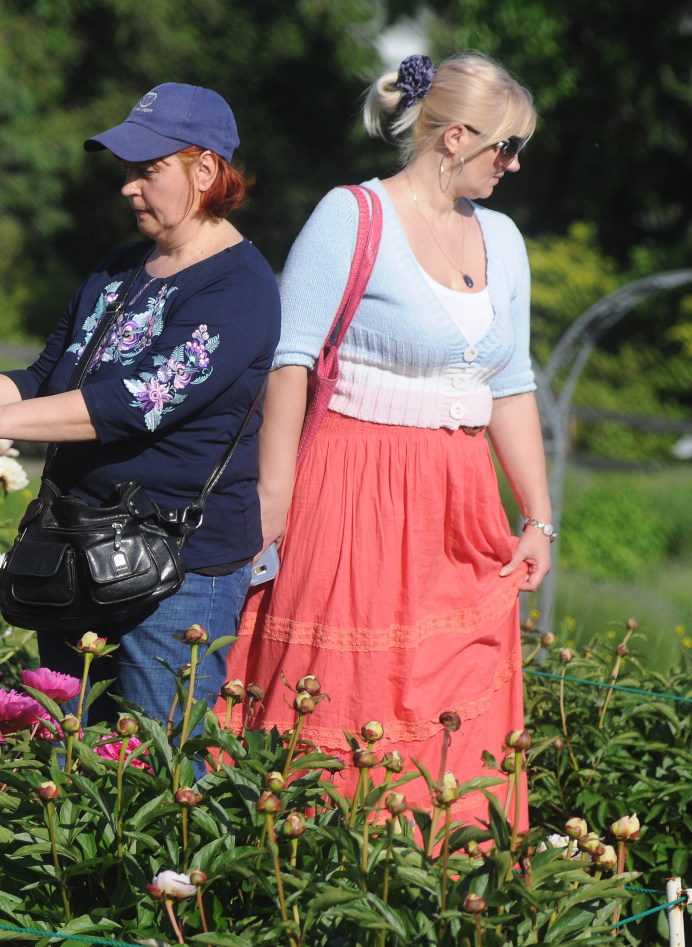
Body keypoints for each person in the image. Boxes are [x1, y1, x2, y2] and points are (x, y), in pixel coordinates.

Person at [0, 83, 280, 728]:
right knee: (67, 758)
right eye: (127, 170)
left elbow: (139, 400)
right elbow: (47, 377)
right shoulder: (120, 267)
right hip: (74, 553)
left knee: (158, 772)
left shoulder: (239, 287)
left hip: (177, 572)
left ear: (205, 170)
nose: (129, 186)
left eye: (148, 170)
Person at [226, 53, 549, 829]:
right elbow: (289, 359)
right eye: (505, 148)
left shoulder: (503, 238)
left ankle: (446, 887)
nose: (512, 166)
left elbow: (512, 383)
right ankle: (317, 875)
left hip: (460, 497)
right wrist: (275, 498)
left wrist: (538, 516)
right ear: (454, 138)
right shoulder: (353, 215)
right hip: (353, 485)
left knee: (455, 696)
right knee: (344, 686)